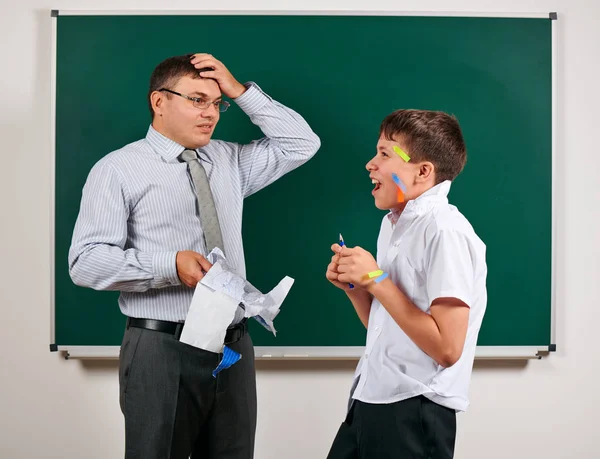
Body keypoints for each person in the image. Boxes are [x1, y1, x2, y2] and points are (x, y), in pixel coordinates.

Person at [68, 53, 320, 459]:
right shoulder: (117, 169)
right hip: (161, 348)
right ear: (159, 102)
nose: (212, 114)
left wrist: (241, 91)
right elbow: (85, 262)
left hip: (233, 347)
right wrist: (169, 266)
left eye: (218, 103)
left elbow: (301, 143)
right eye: (197, 100)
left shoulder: (229, 160)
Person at [325, 109, 487, 458]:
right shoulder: (394, 225)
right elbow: (388, 326)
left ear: (424, 171)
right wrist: (356, 291)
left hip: (415, 409)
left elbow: (446, 347)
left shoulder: (444, 231)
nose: (371, 164)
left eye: (385, 153)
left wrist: (376, 279)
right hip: (370, 398)